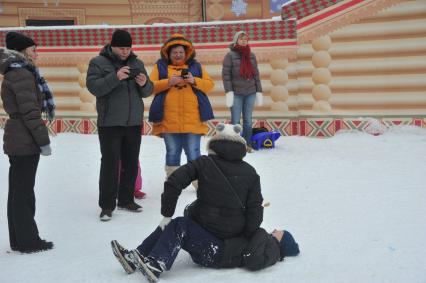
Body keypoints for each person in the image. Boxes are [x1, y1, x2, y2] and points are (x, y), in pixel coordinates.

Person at [86, 29, 153, 221]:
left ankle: (126, 199)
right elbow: (94, 87)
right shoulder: (98, 62)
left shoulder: (137, 63)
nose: (125, 52)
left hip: (133, 122)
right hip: (110, 123)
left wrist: (144, 83)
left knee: (131, 162)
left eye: (128, 48)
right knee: (110, 163)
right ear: (112, 46)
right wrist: (116, 77)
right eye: (121, 48)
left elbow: (148, 91)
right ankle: (107, 205)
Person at [111, 217, 300, 282]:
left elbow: (252, 260)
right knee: (173, 223)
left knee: (181, 226)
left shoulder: (272, 250)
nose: (274, 229)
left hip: (218, 254)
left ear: (281, 240)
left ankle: (155, 265)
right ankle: (136, 257)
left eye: (278, 231)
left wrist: (259, 232)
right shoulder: (268, 243)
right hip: (219, 249)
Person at [159, 123, 263, 240]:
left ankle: (146, 253)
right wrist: (246, 236)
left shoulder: (203, 163)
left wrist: (167, 215)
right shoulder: (250, 171)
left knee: (187, 212)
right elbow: (255, 208)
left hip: (202, 226)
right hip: (233, 232)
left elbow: (173, 181)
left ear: (214, 143)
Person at [0, 32, 55, 253]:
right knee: (23, 193)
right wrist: (43, 141)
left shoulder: (15, 73)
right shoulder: (22, 74)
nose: (37, 53)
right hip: (24, 138)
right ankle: (28, 242)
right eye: (33, 49)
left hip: (18, 137)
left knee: (17, 192)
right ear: (23, 52)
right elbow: (31, 113)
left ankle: (18, 239)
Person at [148, 33, 214, 181]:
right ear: (168, 53)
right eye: (174, 52)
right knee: (172, 152)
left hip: (193, 119)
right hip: (169, 120)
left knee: (194, 152)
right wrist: (168, 82)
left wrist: (194, 80)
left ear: (187, 53)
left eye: (181, 52)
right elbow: (150, 87)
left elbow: (210, 85)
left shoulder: (196, 67)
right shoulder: (160, 67)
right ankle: (173, 181)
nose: (178, 55)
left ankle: (198, 182)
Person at [222, 31, 263, 153]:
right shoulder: (230, 55)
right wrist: (229, 92)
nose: (244, 41)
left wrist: (259, 91)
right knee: (235, 121)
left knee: (248, 120)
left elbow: (256, 74)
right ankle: (236, 146)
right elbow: (226, 75)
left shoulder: (251, 55)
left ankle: (247, 145)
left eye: (246, 39)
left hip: (250, 91)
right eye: (241, 39)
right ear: (236, 40)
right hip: (236, 93)